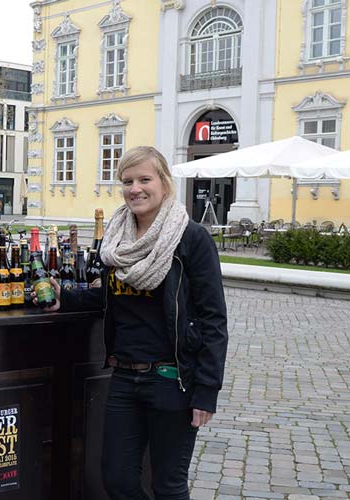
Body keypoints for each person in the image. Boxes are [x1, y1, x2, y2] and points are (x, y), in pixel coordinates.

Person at [39, 146, 228, 499]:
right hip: (125, 376)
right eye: (127, 181)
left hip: (173, 380)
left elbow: (214, 319)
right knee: (118, 480)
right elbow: (111, 295)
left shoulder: (191, 238)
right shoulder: (118, 238)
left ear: (164, 183)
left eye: (144, 179)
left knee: (168, 486)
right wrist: (68, 297)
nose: (135, 189)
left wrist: (207, 390)